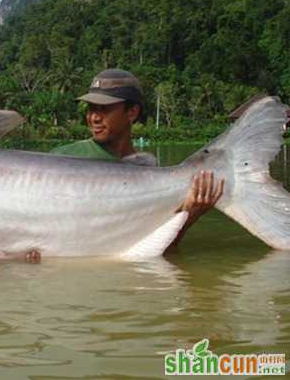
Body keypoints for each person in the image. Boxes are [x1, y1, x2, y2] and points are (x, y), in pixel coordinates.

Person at [51, 68, 224, 247]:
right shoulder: (62, 158)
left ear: (132, 112)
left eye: (104, 109)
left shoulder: (151, 174)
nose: (94, 117)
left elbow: (157, 251)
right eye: (91, 108)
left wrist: (190, 214)